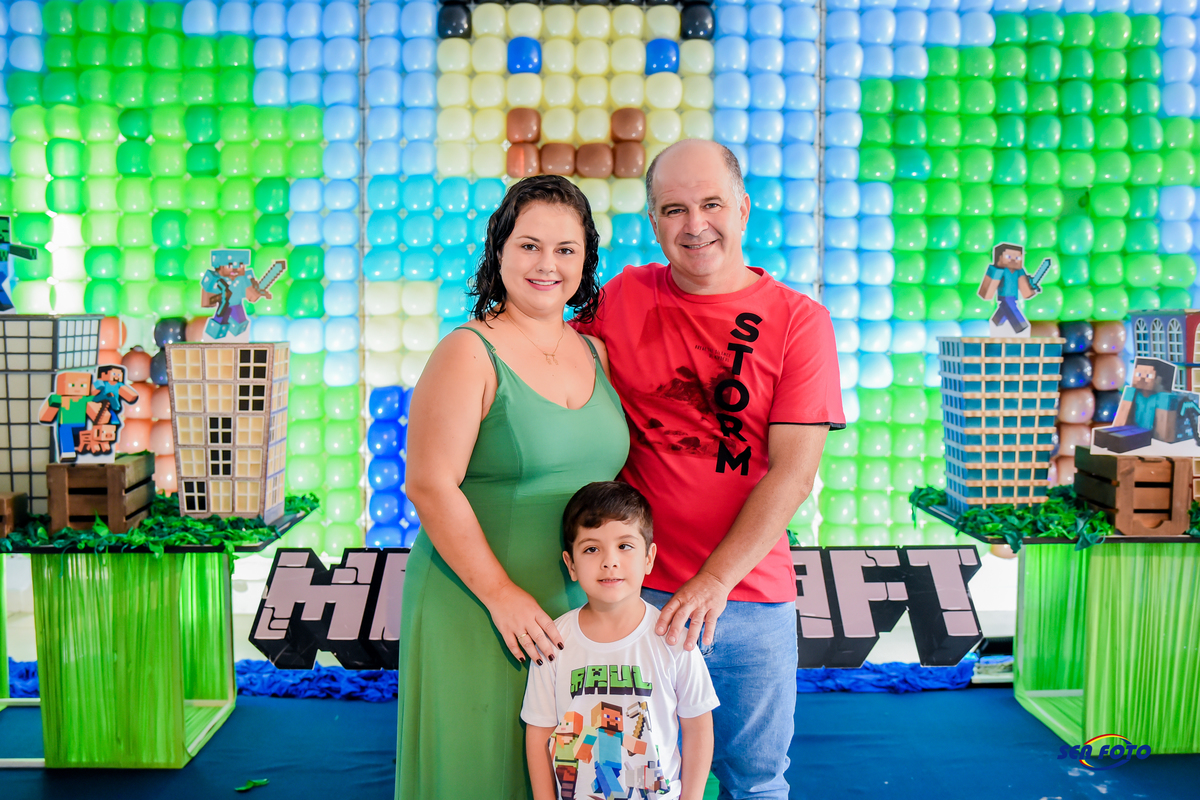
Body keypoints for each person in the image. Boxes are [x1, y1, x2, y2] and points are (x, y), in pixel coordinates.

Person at [575, 139, 845, 799]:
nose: (695, 224)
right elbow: (545, 355)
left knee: (757, 781)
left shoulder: (800, 322)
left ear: (743, 208)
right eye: (675, 209)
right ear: (654, 222)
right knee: (632, 779)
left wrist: (715, 581)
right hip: (636, 597)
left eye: (712, 204)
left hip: (751, 601)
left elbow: (794, 475)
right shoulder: (622, 297)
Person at [396, 176, 630, 799]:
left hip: (574, 607)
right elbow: (429, 484)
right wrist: (501, 595)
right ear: (498, 251)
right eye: (529, 246)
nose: (547, 264)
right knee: (483, 772)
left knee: (570, 774)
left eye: (565, 249)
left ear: (586, 260)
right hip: (477, 601)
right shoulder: (467, 351)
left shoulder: (597, 353)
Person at [523, 481, 717, 800]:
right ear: (571, 564)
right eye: (591, 549)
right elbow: (539, 731)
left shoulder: (674, 639)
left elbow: (698, 726)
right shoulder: (554, 641)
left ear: (649, 558)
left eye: (625, 546)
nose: (609, 561)